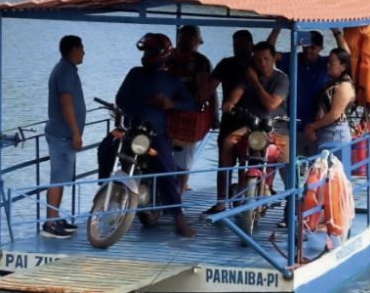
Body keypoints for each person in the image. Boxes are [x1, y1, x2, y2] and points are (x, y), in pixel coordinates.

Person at [109, 32, 197, 237]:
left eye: (151, 51)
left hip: (156, 133)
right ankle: (106, 191)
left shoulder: (172, 80)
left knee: (167, 170)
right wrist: (143, 102)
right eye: (146, 50)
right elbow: (120, 99)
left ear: (163, 54)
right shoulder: (135, 73)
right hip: (133, 130)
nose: (147, 54)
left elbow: (190, 103)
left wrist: (171, 104)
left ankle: (178, 218)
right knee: (107, 147)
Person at [208, 41, 290, 212]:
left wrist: (255, 82)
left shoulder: (281, 79)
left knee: (287, 164)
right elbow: (235, 94)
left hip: (276, 128)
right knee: (228, 141)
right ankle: (222, 198)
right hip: (252, 126)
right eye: (258, 60)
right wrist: (230, 103)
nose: (262, 63)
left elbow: (270, 105)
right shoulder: (247, 77)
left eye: (266, 59)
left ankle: (293, 205)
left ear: (273, 58)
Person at [267, 27, 349, 153]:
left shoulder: (325, 64)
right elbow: (268, 53)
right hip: (294, 125)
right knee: (293, 167)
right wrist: (277, 29)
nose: (308, 51)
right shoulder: (292, 59)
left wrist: (336, 33)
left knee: (315, 167)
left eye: (313, 48)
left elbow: (345, 56)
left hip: (317, 128)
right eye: (305, 47)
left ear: (321, 48)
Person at [42, 35, 86, 239]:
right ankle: (50, 223)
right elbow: (66, 102)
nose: (84, 52)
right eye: (81, 48)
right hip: (62, 135)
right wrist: (76, 133)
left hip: (63, 135)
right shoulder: (65, 71)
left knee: (60, 178)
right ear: (73, 49)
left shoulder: (65, 69)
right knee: (58, 178)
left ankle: (55, 217)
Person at [165, 25, 213, 194]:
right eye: (183, 37)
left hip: (189, 115)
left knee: (183, 160)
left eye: (190, 38)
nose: (186, 41)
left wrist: (213, 115)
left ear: (196, 41)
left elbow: (207, 90)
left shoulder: (201, 62)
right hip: (164, 112)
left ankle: (178, 194)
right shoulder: (167, 57)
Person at [303, 48, 356, 154]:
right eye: (328, 62)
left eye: (332, 63)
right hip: (326, 132)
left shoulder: (344, 86)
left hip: (335, 135)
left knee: (332, 168)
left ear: (343, 67)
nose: (328, 65)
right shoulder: (334, 83)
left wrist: (312, 126)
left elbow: (334, 115)